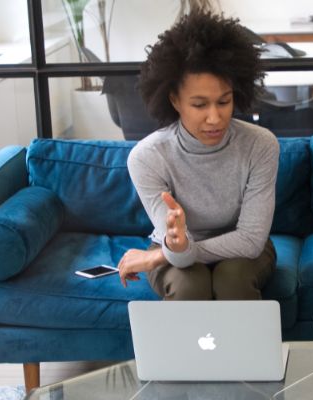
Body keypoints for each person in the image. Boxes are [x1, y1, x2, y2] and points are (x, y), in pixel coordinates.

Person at [116, 11, 279, 301]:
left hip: (242, 250)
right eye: (200, 105)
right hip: (175, 246)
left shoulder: (260, 145)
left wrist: (159, 257)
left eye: (224, 101)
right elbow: (179, 249)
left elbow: (251, 240)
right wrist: (176, 249)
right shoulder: (147, 157)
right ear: (174, 100)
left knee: (232, 280)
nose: (215, 118)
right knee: (189, 285)